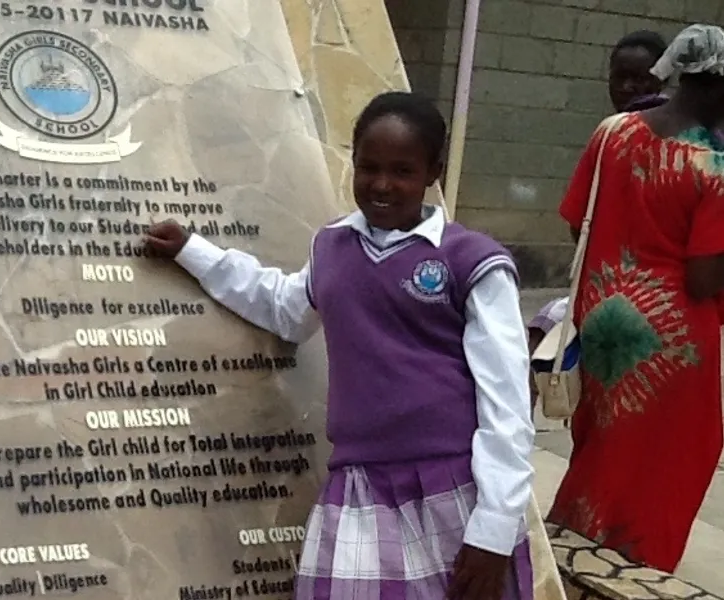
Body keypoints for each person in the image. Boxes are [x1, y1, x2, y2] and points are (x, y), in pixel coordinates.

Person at [144, 92, 536, 599]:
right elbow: (284, 308)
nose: (382, 184)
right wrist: (193, 252)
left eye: (402, 171)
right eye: (369, 167)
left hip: (452, 486)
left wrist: (494, 529)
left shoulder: (470, 261)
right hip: (359, 485)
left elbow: (507, 403)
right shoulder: (332, 246)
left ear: (433, 172)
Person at [546, 24, 724, 573]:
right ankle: (633, 570)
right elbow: (704, 279)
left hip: (601, 317)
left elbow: (578, 220)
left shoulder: (612, 132)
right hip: (672, 343)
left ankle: (574, 551)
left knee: (600, 449)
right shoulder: (714, 162)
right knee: (671, 459)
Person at [527, 30, 669, 356]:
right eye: (619, 77)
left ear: (662, 79)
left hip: (628, 290)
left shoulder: (614, 135)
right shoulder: (615, 133)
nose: (627, 88)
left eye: (639, 79)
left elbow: (578, 224)